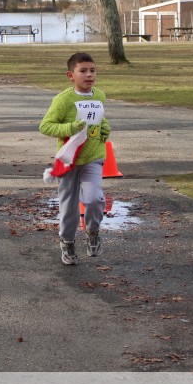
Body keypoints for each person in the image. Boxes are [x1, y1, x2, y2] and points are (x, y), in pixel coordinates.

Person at [39, 52, 111, 266]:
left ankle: (93, 232)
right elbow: (45, 126)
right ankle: (68, 242)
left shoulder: (99, 95)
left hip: (93, 157)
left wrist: (105, 128)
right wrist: (70, 128)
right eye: (83, 71)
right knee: (69, 208)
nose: (89, 75)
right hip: (69, 161)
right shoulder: (64, 100)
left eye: (93, 70)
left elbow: (100, 119)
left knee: (94, 199)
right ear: (71, 75)